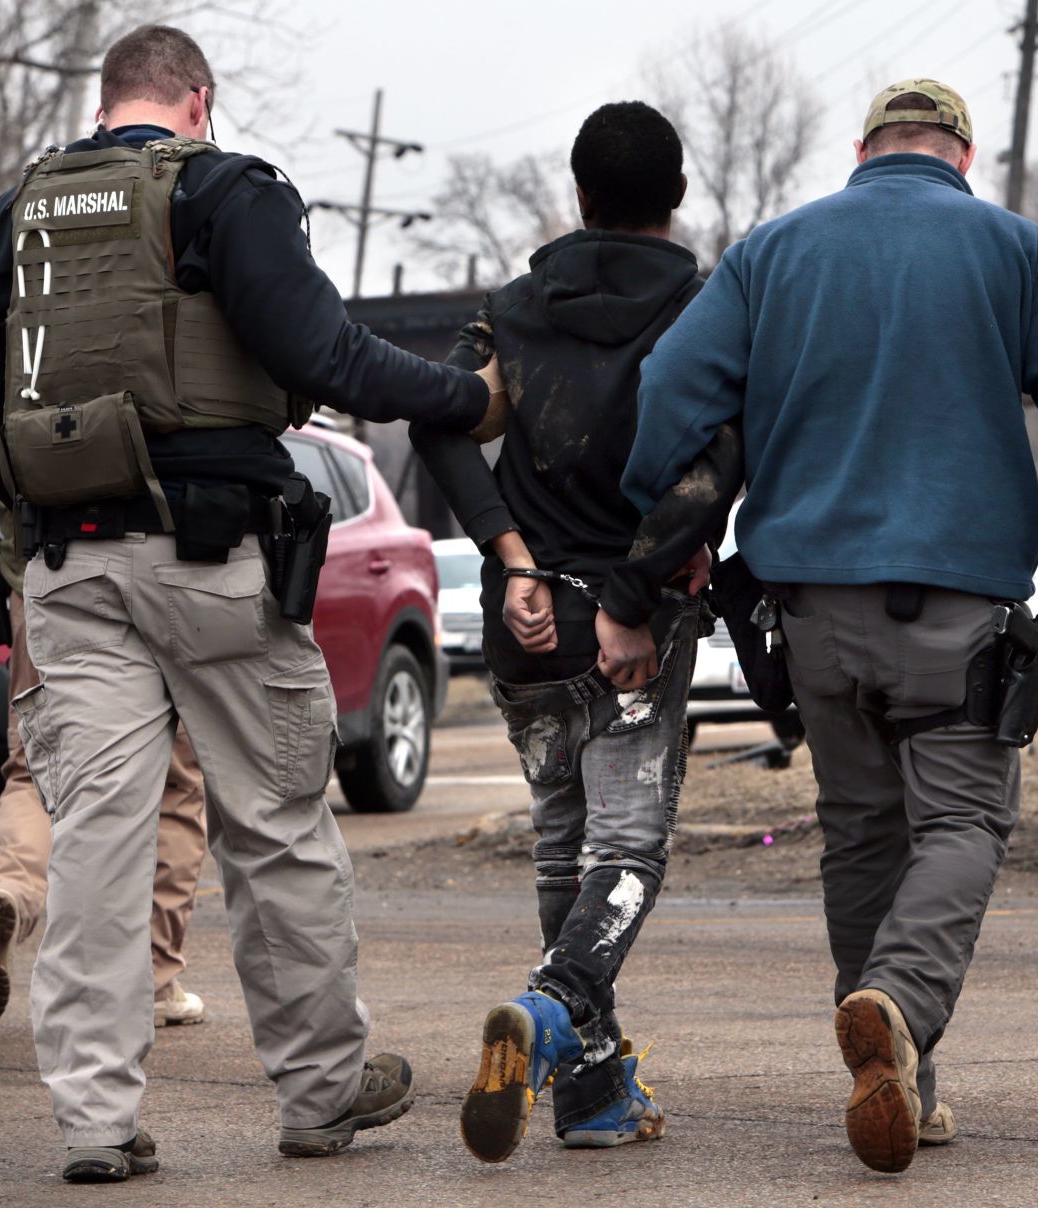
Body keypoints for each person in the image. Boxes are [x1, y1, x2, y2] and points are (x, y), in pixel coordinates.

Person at [0, 25, 497, 1182]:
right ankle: (318, 1090)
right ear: (199, 99)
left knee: (97, 838)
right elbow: (324, 351)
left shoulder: (20, 209)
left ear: (108, 105)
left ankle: (96, 1120)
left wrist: (43, 524)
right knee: (277, 824)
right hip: (214, 561)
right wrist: (463, 394)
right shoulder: (225, 189)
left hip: (68, 572)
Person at [618, 79, 1038, 1175]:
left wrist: (662, 514)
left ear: (861, 149)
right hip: (957, 607)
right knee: (962, 822)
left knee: (861, 831)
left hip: (809, 609)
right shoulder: (1012, 249)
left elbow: (670, 384)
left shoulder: (771, 251)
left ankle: (901, 1076)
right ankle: (899, 1002)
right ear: (962, 158)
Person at [411, 101, 725, 1164]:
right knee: (627, 848)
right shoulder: (702, 308)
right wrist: (636, 602)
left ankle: (592, 1095)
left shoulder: (512, 309)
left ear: (580, 194)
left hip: (529, 619)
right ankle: (549, 1010)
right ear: (673, 198)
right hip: (630, 622)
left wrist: (507, 558)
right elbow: (711, 471)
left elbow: (443, 415)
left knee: (562, 841)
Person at [0, 384, 208, 1031]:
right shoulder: (161, 314)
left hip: (44, 580)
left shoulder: (19, 330)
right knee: (175, 784)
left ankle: (8, 891)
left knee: (36, 770)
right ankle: (151, 978)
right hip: (170, 576)